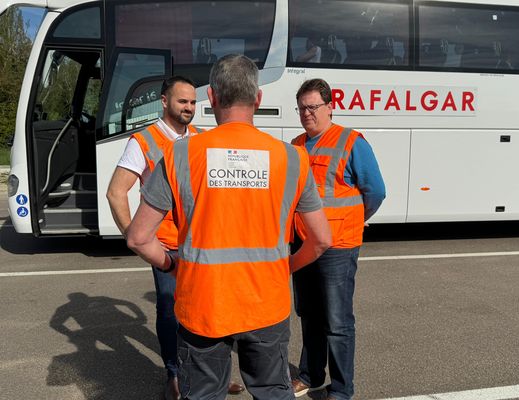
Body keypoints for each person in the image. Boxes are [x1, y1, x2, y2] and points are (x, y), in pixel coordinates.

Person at [126, 54, 332, 400]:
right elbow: (322, 240)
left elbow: (137, 237)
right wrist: (286, 267)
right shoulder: (292, 158)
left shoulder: (179, 155)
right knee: (271, 392)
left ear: (212, 99)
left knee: (204, 393)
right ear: (258, 99)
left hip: (203, 304)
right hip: (266, 302)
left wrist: (175, 266)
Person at [106, 75, 244, 399]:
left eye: (193, 102)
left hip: (202, 244)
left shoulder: (200, 137)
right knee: (171, 313)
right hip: (167, 246)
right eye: (182, 101)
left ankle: (211, 376)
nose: (189, 108)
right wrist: (136, 238)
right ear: (164, 101)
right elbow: (116, 193)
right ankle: (176, 376)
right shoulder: (143, 142)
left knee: (208, 312)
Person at [290, 78, 386, 400]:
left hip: (337, 246)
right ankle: (311, 375)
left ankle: (342, 390)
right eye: (302, 108)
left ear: (330, 106)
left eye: (313, 107)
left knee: (338, 321)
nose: (307, 113)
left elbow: (376, 191)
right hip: (303, 245)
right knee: (309, 314)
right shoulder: (296, 145)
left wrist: (356, 219)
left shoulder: (351, 142)